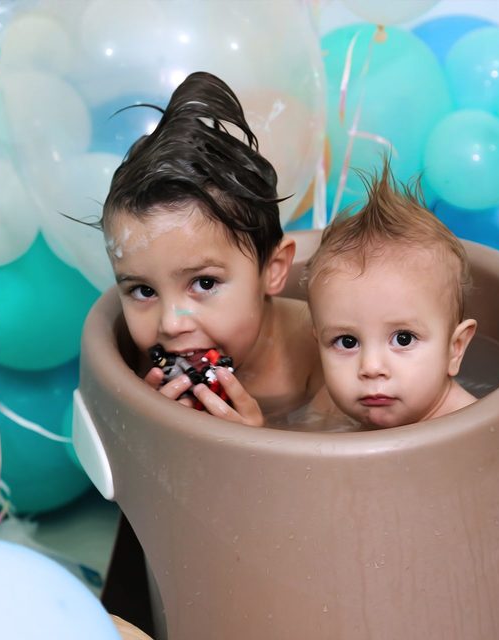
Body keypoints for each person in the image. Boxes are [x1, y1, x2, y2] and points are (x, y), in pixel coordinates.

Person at [100, 71, 323, 426]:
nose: (171, 324)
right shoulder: (147, 358)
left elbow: (337, 454)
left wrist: (259, 443)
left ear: (274, 270)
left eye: (204, 283)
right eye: (143, 291)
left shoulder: (319, 348)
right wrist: (147, 424)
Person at [304, 161, 479, 430]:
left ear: (454, 349)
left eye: (403, 338)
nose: (371, 367)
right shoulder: (329, 406)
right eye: (347, 342)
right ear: (318, 344)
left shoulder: (470, 426)